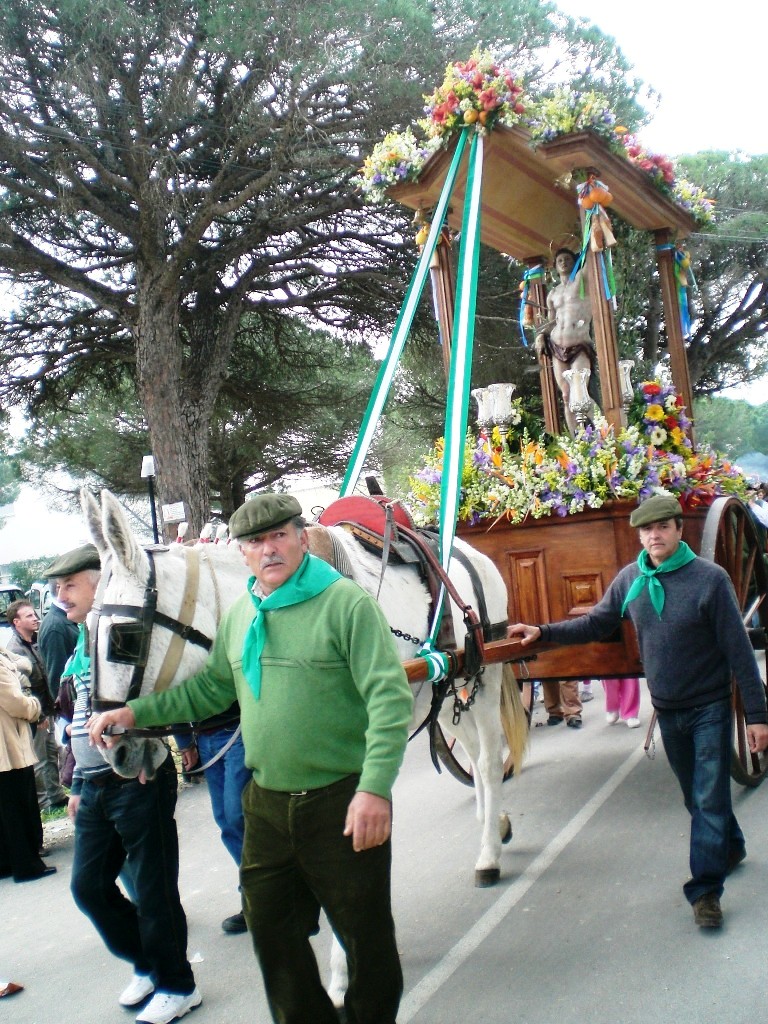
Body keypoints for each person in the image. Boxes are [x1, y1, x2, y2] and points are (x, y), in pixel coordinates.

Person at [88, 493, 414, 1024]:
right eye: (255, 542)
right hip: (266, 803)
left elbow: (389, 699)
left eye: (279, 535)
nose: (269, 549)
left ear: (301, 538)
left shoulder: (345, 604)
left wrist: (374, 788)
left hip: (340, 801)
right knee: (273, 934)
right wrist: (134, 712)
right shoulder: (243, 614)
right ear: (241, 552)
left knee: (365, 937)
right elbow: (212, 689)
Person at [508, 492, 768, 929]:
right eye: (646, 530)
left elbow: (739, 651)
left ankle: (705, 891)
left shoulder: (710, 580)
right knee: (696, 797)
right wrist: (542, 631)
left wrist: (758, 716)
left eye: (662, 527)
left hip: (710, 707)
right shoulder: (632, 579)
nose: (654, 536)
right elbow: (596, 623)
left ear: (678, 529)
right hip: (668, 710)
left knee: (707, 797)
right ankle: (731, 844)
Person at [42, 544, 200, 1024]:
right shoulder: (80, 639)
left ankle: (178, 985)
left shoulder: (121, 632)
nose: (60, 596)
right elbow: (77, 717)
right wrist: (75, 784)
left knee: (153, 890)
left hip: (136, 776)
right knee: (89, 887)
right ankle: (149, 964)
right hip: (94, 783)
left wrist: (150, 745)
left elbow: (152, 688)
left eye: (70, 585)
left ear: (99, 584)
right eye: (56, 588)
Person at [175, 704, 251, 934]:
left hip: (236, 729)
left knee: (236, 814)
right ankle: (254, 896)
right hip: (204, 736)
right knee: (225, 820)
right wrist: (184, 741)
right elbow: (172, 691)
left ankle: (262, 893)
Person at [4, 600, 69, 812]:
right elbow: (22, 688)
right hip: (34, 713)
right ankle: (45, 802)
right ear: (16, 622)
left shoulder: (36, 641)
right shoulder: (14, 649)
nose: (35, 618)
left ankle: (57, 796)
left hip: (47, 707)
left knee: (52, 751)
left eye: (34, 614)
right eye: (29, 616)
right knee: (40, 758)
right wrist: (38, 716)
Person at [0, 646, 56, 882]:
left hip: (7, 743)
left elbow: (22, 661)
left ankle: (7, 863)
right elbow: (14, 701)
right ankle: (26, 865)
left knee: (7, 809)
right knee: (17, 807)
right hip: (7, 745)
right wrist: (35, 707)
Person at [535, 247, 599, 435]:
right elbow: (551, 321)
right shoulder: (553, 294)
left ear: (574, 262)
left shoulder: (581, 281)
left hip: (579, 344)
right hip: (557, 346)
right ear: (555, 266)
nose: (564, 262)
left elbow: (591, 258)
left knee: (580, 391)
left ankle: (604, 433)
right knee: (566, 395)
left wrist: (589, 234)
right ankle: (576, 441)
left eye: (568, 259)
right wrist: (541, 335)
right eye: (560, 260)